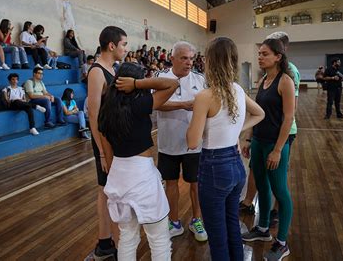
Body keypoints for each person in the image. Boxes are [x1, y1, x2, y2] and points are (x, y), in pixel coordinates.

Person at [186, 37, 265, 261]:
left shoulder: (204, 97)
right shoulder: (238, 90)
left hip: (214, 168)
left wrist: (196, 120)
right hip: (236, 165)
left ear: (210, 61)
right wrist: (238, 130)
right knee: (232, 227)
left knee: (218, 236)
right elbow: (259, 113)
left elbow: (192, 142)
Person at [99, 62, 179, 260]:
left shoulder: (105, 111)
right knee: (158, 237)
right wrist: (137, 83)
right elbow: (172, 84)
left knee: (127, 236)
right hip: (141, 175)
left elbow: (108, 158)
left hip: (118, 174)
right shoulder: (139, 104)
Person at [241, 38, 295, 261]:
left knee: (280, 191)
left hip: (274, 145)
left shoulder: (285, 82)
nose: (260, 57)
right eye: (259, 53)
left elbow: (289, 117)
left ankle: (282, 243)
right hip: (259, 142)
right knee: (262, 187)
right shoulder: (264, 79)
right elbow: (258, 113)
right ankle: (262, 229)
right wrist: (248, 138)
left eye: (264, 54)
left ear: (278, 57)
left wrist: (278, 149)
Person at [155, 41, 208, 241]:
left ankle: (197, 220)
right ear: (173, 58)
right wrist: (184, 104)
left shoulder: (200, 79)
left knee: (196, 183)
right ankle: (174, 221)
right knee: (171, 183)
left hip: (194, 144)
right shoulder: (160, 78)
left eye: (191, 58)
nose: (189, 63)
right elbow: (156, 104)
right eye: (184, 58)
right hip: (168, 143)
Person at [87, 26, 128, 259]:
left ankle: (111, 241)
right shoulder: (96, 72)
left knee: (112, 191)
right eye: (123, 44)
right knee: (104, 191)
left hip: (115, 141)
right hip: (104, 143)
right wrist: (102, 152)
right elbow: (93, 115)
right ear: (111, 46)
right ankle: (104, 244)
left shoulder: (112, 69)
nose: (126, 49)